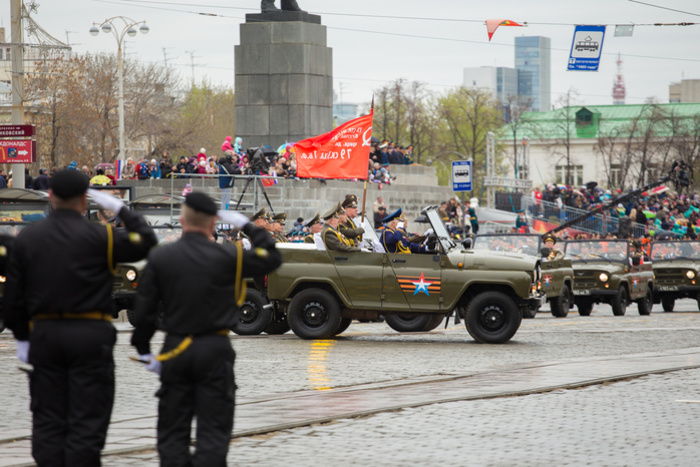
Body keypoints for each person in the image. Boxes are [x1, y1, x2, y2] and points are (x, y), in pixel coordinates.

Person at [3, 170, 157, 466]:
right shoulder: (104, 236)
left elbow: (13, 299)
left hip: (45, 334)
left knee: (47, 417)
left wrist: (23, 336)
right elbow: (146, 239)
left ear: (50, 197)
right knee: (87, 418)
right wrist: (121, 208)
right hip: (90, 333)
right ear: (86, 202)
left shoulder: (28, 238)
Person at [130, 192, 282, 466]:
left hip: (175, 348)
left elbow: (144, 311)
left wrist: (143, 350)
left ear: (181, 220)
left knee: (173, 431)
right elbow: (271, 257)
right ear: (213, 223)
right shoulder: (229, 255)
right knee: (213, 431)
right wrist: (249, 226)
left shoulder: (162, 256)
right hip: (215, 349)